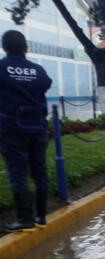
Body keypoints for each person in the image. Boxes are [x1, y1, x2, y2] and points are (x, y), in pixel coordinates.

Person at [0, 30, 52, 232]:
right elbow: (46, 84)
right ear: (25, 47)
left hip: (12, 129)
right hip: (37, 127)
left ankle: (25, 218)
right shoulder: (37, 70)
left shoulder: (2, 68)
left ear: (4, 47)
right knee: (40, 172)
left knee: (18, 174)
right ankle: (41, 215)